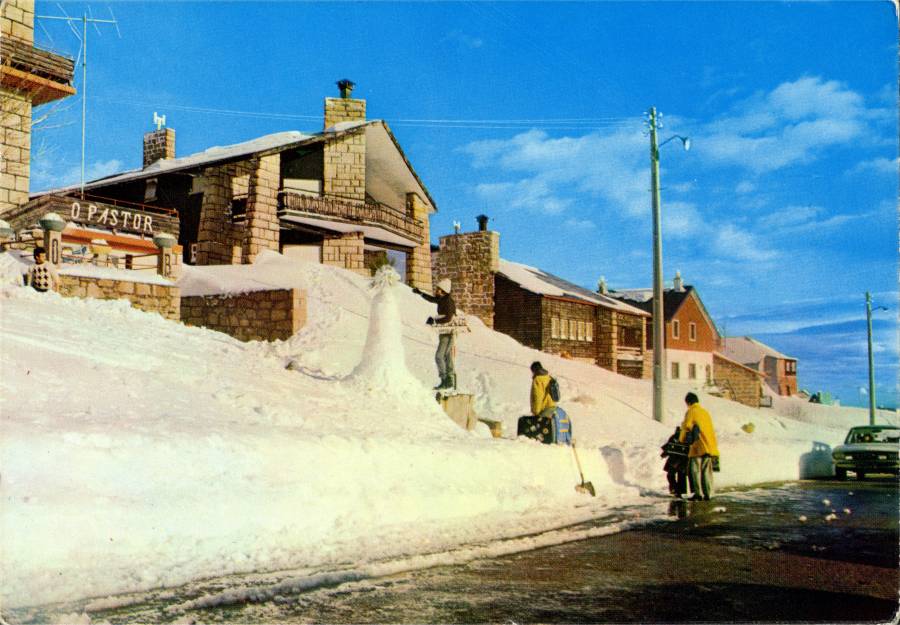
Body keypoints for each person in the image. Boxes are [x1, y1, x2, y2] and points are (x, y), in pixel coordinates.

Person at [412, 279, 457, 390]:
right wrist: (420, 293)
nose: (436, 291)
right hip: (444, 331)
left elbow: (448, 318)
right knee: (447, 357)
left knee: (439, 356)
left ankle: (445, 380)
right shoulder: (442, 299)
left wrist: (435, 321)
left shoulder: (448, 301)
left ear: (443, 290)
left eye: (438, 289)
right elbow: (432, 299)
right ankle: (449, 381)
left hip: (449, 332)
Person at [679, 392, 719, 501]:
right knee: (706, 471)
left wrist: (681, 439)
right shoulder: (705, 412)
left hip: (698, 446)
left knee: (695, 470)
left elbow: (687, 427)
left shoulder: (691, 411)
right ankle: (708, 493)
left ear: (688, 402)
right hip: (709, 446)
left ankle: (698, 494)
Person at [660, 426, 688, 498]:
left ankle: (676, 490)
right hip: (681, 460)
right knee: (680, 476)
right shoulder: (686, 437)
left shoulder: (675, 437)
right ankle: (680, 491)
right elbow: (670, 446)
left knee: (671, 475)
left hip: (676, 460)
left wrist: (664, 454)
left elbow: (669, 447)